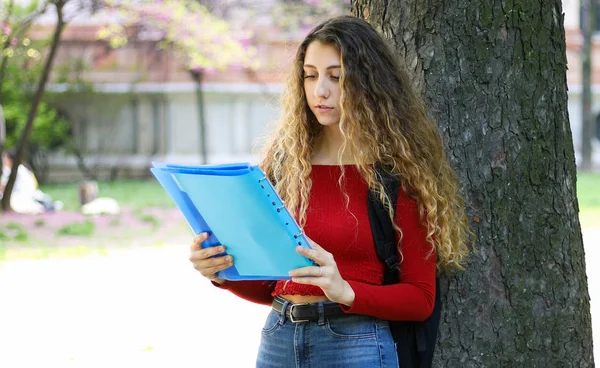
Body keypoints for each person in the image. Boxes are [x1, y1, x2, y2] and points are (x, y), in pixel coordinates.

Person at [189, 16, 472, 367]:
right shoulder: (284, 163)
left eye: (336, 77)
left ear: (369, 83)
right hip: (279, 338)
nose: (320, 90)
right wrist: (222, 272)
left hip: (357, 343)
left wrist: (345, 290)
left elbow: (420, 298)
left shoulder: (397, 172)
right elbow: (274, 284)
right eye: (310, 75)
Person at [0, 149, 62, 213]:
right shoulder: (22, 168)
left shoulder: (12, 170)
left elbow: (2, 187)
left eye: (5, 158)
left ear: (11, 160)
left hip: (21, 196)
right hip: (29, 194)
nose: (3, 160)